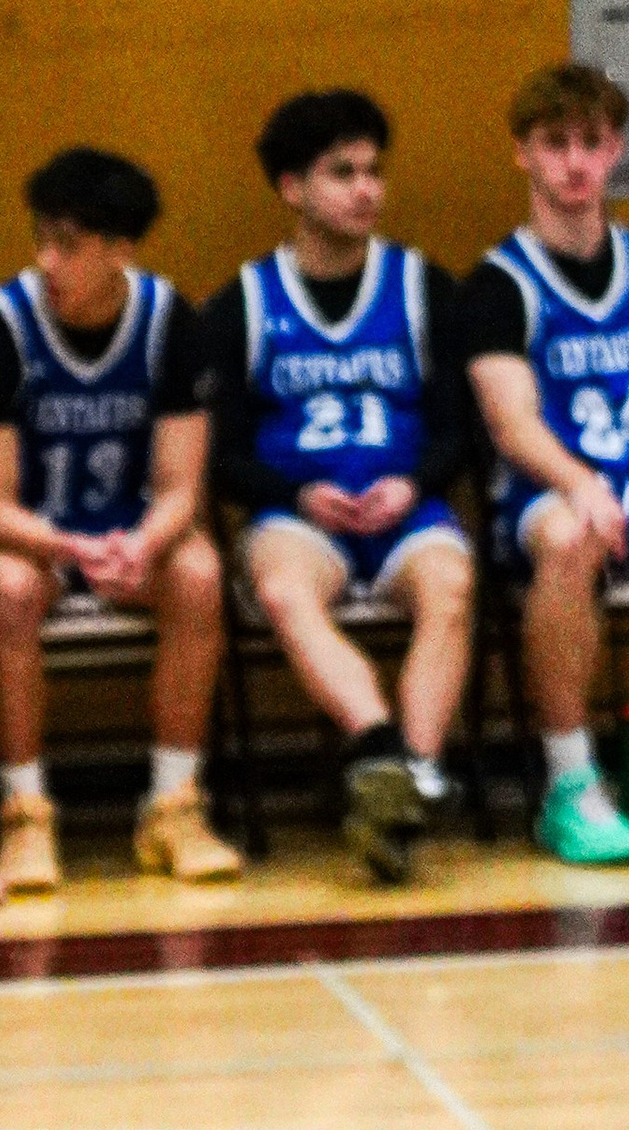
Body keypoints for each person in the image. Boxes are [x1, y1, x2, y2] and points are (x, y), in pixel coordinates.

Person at [201, 90, 475, 883]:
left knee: (451, 585)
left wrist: (412, 482)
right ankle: (379, 750)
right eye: (342, 173)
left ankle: (409, 778)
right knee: (287, 589)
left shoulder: (425, 288)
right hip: (300, 514)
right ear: (292, 188)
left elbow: (460, 430)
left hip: (402, 505)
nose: (366, 189)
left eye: (375, 172)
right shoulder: (242, 304)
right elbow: (215, 454)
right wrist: (294, 494)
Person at [0, 147, 241, 890]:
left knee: (201, 574)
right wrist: (73, 546)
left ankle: (173, 805)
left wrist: (143, 542)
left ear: (121, 249)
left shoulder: (172, 320)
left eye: (69, 246)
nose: (48, 260)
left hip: (126, 528)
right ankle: (23, 811)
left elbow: (182, 483)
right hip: (26, 534)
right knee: (13, 592)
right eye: (42, 240)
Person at [463, 61, 629, 867]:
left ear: (616, 154)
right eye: (555, 144)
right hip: (548, 491)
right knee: (573, 537)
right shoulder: (500, 285)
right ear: (521, 155)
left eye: (592, 144)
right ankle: (570, 784)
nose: (575, 163)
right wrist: (585, 485)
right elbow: (514, 425)